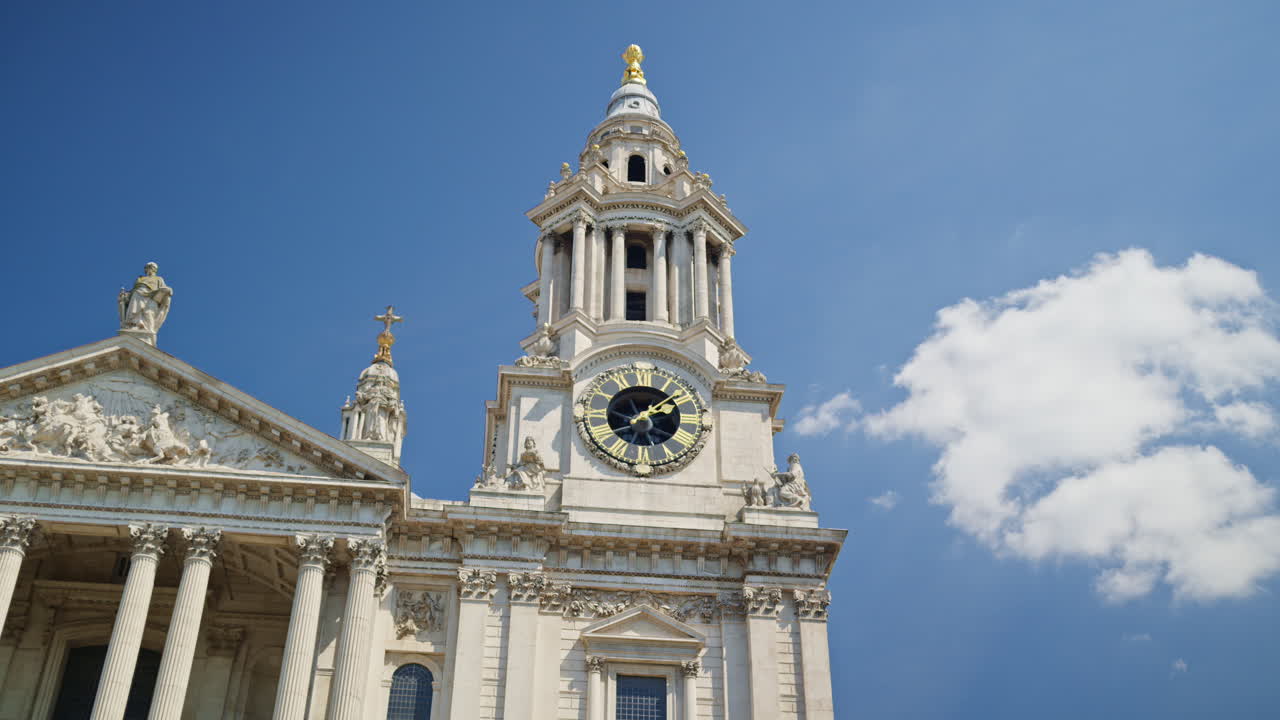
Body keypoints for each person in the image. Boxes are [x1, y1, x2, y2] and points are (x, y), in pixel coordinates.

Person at [118, 262, 173, 333]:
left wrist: (168, 290)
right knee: (135, 313)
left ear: (155, 270)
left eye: (151, 268)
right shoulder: (140, 279)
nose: (149, 269)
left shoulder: (159, 279)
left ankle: (148, 329)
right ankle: (134, 325)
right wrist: (125, 295)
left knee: (149, 313)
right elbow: (133, 290)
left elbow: (163, 288)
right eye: (147, 268)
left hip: (151, 297)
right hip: (137, 295)